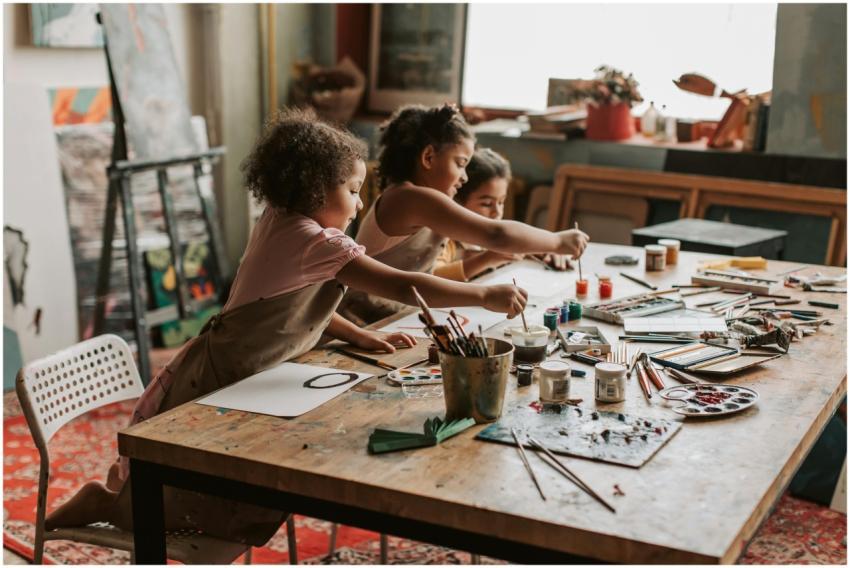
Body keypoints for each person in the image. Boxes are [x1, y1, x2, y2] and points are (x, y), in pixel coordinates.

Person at [45, 108, 527, 545]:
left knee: (233, 488)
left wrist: (358, 334)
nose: (359, 205)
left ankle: (117, 498)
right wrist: (483, 294)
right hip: (227, 373)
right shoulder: (315, 242)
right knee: (213, 489)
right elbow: (403, 286)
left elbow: (293, 303)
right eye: (353, 191)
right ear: (316, 189)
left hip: (243, 366)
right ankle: (109, 503)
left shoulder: (280, 220)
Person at [338, 104, 588, 325]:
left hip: (393, 320)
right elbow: (496, 234)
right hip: (361, 324)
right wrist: (557, 241)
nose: (464, 177)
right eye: (460, 163)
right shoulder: (408, 198)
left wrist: (539, 249)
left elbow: (477, 245)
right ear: (428, 157)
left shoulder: (417, 200)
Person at [433, 148, 569, 282]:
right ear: (457, 202)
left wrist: (547, 250)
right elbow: (432, 277)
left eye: (501, 202)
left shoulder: (499, 235)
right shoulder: (444, 238)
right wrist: (487, 259)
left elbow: (524, 246)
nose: (497, 212)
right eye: (486, 204)